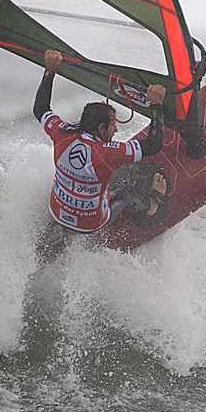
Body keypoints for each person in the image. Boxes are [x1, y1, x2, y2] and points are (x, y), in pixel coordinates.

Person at [34, 49, 169, 260]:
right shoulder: (108, 154)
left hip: (57, 211)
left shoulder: (61, 134)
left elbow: (40, 109)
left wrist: (50, 71)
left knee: (91, 186)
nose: (116, 130)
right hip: (91, 223)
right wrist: (156, 104)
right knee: (123, 192)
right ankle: (151, 205)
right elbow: (154, 144)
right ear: (101, 128)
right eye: (113, 125)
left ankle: (53, 242)